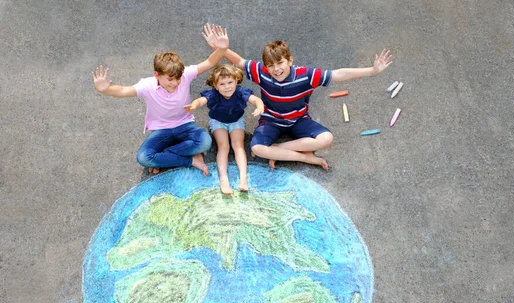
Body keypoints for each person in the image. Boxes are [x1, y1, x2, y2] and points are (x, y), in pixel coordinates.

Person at [205, 27, 392, 170]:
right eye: (271, 65)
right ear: (266, 66)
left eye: (280, 63)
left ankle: (279, 149)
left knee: (326, 138)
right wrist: (221, 49)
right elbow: (238, 61)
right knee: (256, 148)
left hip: (299, 120)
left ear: (290, 60)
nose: (276, 69)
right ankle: (304, 156)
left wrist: (373, 71)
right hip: (271, 120)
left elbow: (339, 74)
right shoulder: (261, 71)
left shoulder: (306, 75)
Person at [91, 24, 229, 175]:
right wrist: (105, 89)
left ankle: (164, 156)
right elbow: (124, 90)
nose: (175, 83)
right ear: (157, 74)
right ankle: (190, 160)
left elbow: (209, 62)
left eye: (177, 78)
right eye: (170, 79)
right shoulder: (147, 85)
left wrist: (221, 49)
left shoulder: (185, 75)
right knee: (144, 157)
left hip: (185, 125)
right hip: (161, 130)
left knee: (205, 142)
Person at [184, 64, 265, 194]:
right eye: (222, 84)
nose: (227, 87)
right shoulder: (214, 95)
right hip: (218, 121)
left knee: (238, 145)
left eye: (230, 82)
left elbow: (255, 99)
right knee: (224, 146)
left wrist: (259, 106)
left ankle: (243, 177)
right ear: (215, 86)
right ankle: (223, 178)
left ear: (236, 80)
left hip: (236, 121)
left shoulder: (240, 92)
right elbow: (201, 100)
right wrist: (194, 105)